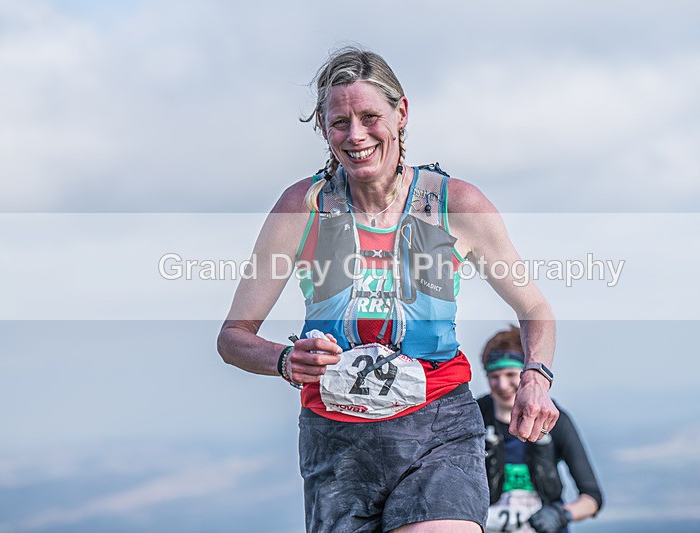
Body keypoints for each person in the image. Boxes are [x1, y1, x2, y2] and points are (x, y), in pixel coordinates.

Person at [217, 46, 557, 533]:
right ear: (323, 129)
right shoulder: (301, 208)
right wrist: (285, 360)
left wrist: (536, 376)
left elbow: (534, 307)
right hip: (337, 442)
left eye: (370, 117)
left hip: (439, 427)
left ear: (401, 114)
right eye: (339, 122)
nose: (355, 135)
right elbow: (233, 337)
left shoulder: (454, 204)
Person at [477, 326, 603, 533]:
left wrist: (561, 515)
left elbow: (592, 498)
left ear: (527, 375)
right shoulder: (474, 418)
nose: (503, 384)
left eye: (511, 374)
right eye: (494, 376)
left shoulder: (554, 419)